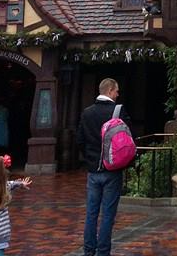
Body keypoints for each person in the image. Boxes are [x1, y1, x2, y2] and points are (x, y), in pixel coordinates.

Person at [77, 78, 133, 256]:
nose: (118, 94)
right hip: (112, 170)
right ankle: (103, 251)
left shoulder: (87, 113)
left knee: (91, 213)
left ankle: (88, 250)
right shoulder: (118, 111)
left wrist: (90, 159)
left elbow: (80, 140)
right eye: (116, 91)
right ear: (109, 91)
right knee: (108, 214)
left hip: (93, 170)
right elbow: (129, 139)